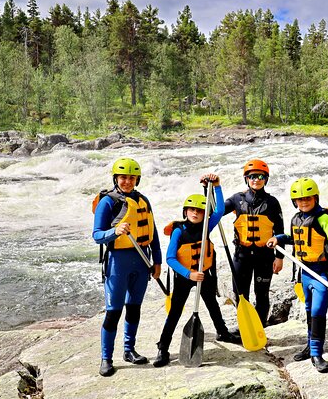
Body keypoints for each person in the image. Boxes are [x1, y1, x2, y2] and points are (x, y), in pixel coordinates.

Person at [153, 174, 241, 368]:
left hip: (205, 273)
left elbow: (218, 209)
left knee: (212, 304)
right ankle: (163, 347)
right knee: (175, 312)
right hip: (185, 276)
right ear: (185, 211)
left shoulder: (206, 227)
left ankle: (222, 332)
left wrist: (216, 186)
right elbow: (170, 259)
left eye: (200, 211)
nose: (196, 213)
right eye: (192, 210)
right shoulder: (178, 231)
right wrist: (189, 274)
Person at [92, 157, 162, 377]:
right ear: (116, 178)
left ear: (137, 179)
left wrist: (157, 261)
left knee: (134, 308)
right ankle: (106, 358)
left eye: (131, 178)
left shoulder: (144, 200)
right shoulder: (108, 202)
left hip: (141, 262)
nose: (127, 181)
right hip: (117, 263)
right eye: (123, 177)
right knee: (113, 312)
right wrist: (115, 231)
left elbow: (154, 233)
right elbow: (96, 236)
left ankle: (129, 350)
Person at [267, 177, 328, 374]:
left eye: (308, 199)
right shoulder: (296, 218)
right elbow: (296, 239)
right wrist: (278, 238)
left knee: (318, 311)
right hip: (305, 273)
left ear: (315, 198)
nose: (304, 202)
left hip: (322, 273)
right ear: (295, 202)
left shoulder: (324, 219)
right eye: (300, 200)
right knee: (309, 310)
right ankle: (310, 346)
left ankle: (317, 354)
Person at [223, 159, 284, 326]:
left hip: (264, 256)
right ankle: (245, 326)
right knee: (240, 294)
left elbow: (280, 231)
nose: (256, 179)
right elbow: (217, 210)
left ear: (266, 179)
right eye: (252, 176)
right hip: (241, 255)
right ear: (246, 179)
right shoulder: (237, 199)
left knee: (262, 294)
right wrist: (212, 188)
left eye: (260, 176)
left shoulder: (272, 203)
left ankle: (260, 327)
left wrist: (279, 257)